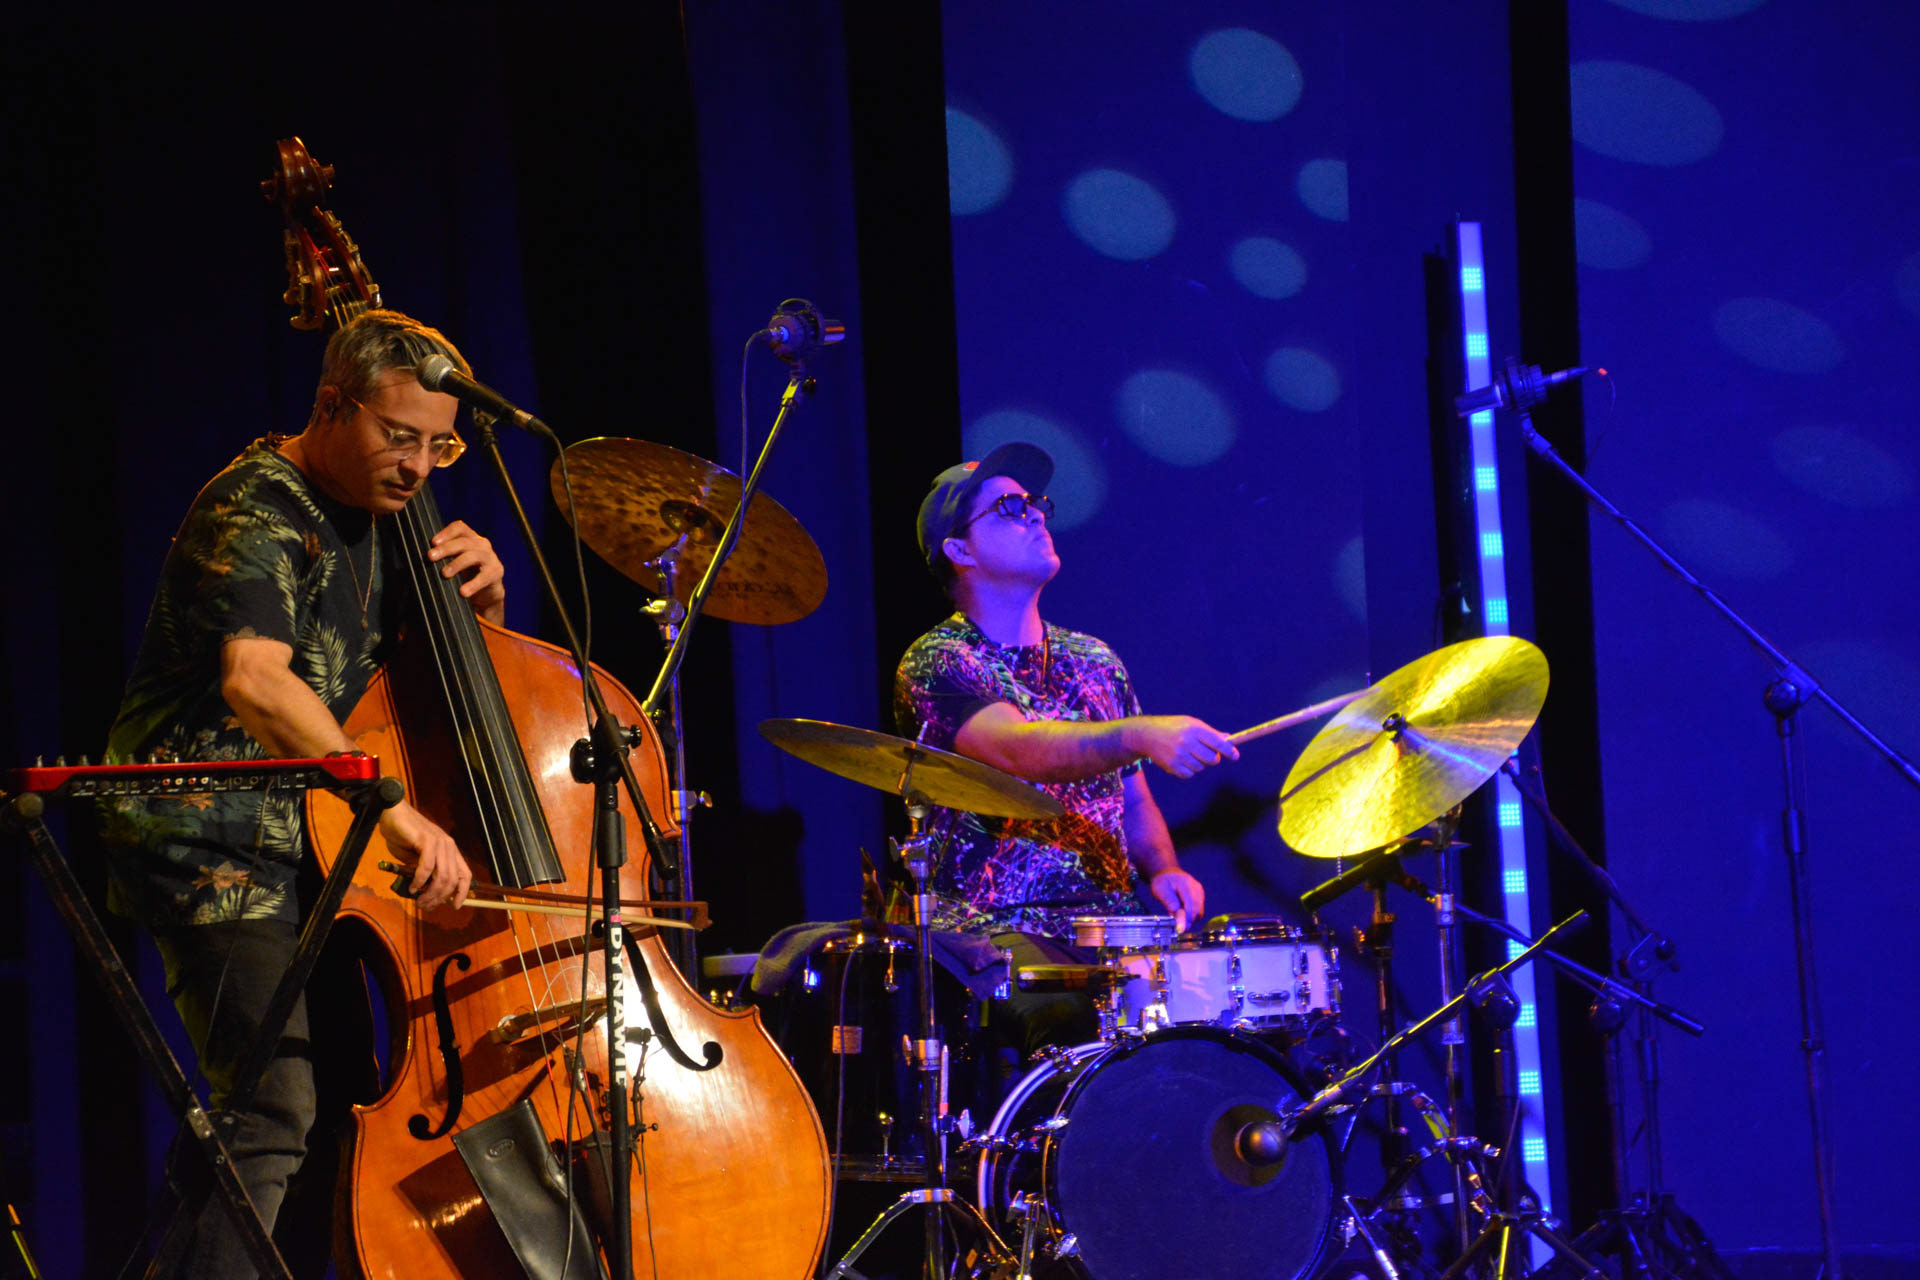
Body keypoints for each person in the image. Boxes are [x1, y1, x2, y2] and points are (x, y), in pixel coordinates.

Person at [92, 309, 500, 1277]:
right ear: (331, 404)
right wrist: (392, 809)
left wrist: (485, 605)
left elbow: (433, 689)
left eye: (438, 446)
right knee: (275, 1108)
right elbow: (256, 679)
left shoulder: (388, 518)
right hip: (211, 834)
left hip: (312, 842)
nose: (418, 467)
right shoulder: (257, 508)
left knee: (334, 1107)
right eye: (398, 436)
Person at [892, 442, 1239, 1055]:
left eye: (1034, 503)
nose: (1034, 514)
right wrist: (1139, 732)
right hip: (994, 927)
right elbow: (1019, 749)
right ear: (960, 550)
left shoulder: (1094, 659)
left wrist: (1164, 868)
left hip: (1109, 924)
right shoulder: (938, 660)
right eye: (1008, 508)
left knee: (1216, 1020)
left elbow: (1133, 799)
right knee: (1068, 1018)